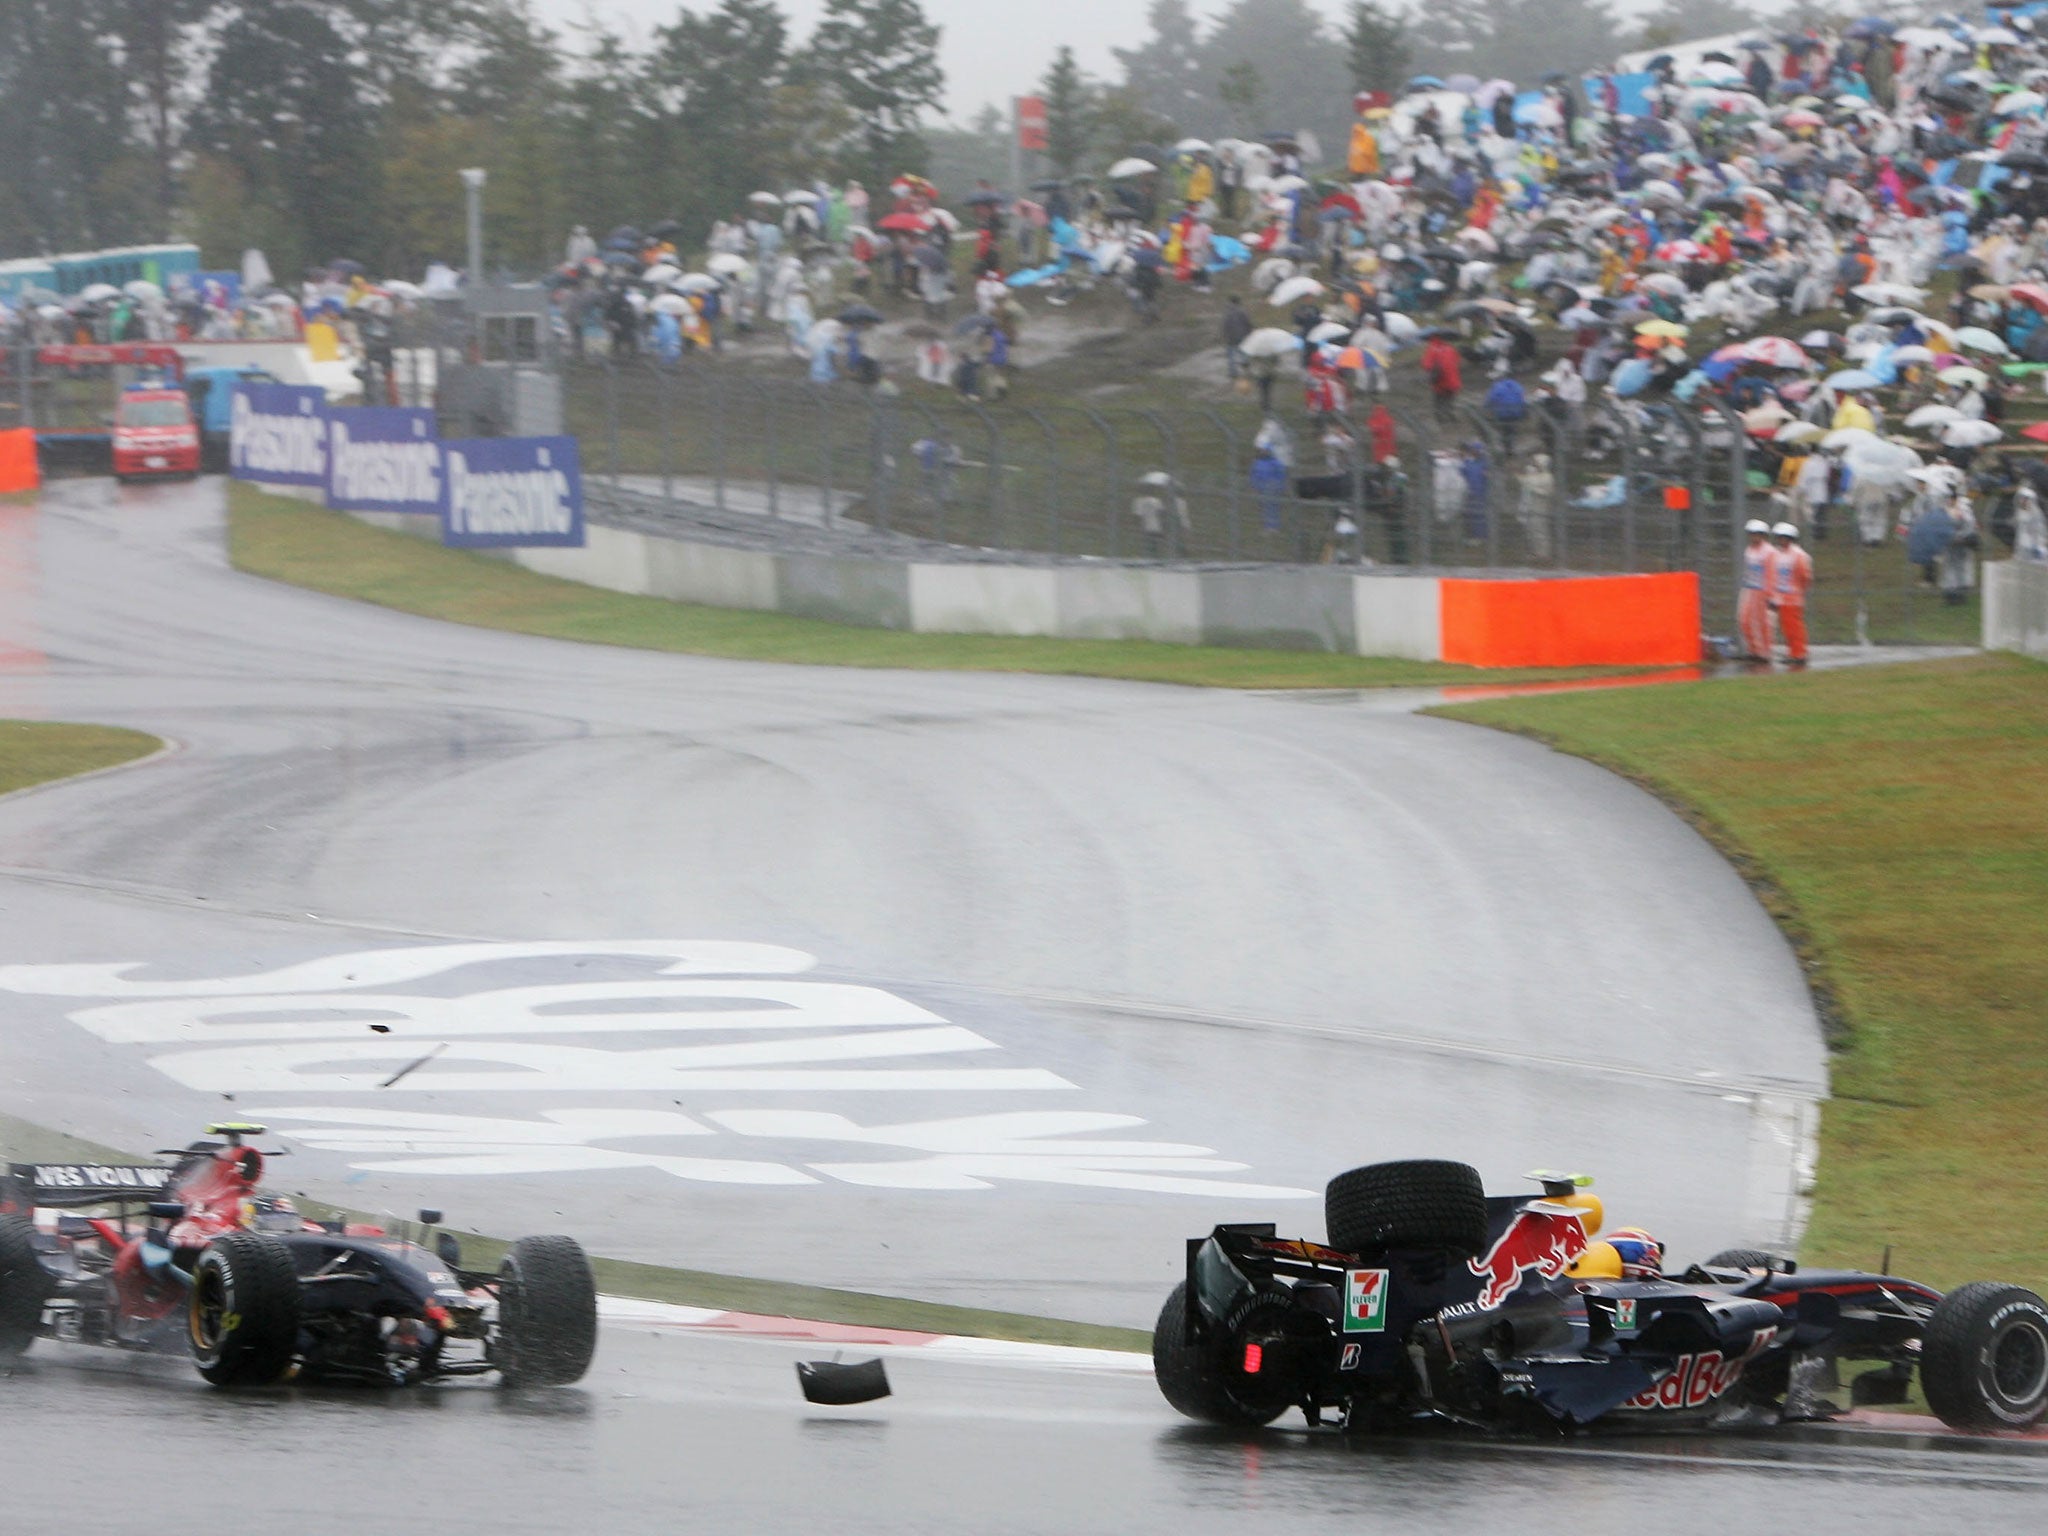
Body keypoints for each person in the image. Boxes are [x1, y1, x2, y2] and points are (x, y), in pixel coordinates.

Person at [1768, 521, 1814, 665]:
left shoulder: (1798, 555)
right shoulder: (1778, 554)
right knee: (1787, 628)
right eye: (1779, 537)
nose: (1781, 540)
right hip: (1781, 597)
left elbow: (1805, 577)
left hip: (1793, 598)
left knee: (1795, 627)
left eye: (1783, 537)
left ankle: (1800, 653)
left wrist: (1799, 591)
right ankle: (1793, 652)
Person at [1738, 518, 1775, 660]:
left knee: (1763, 622)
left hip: (1763, 590)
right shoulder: (1749, 550)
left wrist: (1770, 595)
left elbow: (1771, 573)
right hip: (1750, 588)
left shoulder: (1769, 552)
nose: (1754, 537)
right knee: (1744, 620)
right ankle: (1753, 649)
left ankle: (1763, 652)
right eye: (1752, 534)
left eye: (1757, 534)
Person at [1422, 332, 1463, 424]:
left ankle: (1440, 418)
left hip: (1440, 381)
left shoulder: (1431, 350)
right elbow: (1458, 361)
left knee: (1439, 400)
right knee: (1450, 398)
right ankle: (1450, 414)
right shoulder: (1450, 348)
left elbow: (1426, 365)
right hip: (1453, 379)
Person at [1485, 374, 1528, 458]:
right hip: (1516, 412)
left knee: (1505, 430)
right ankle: (1510, 447)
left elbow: (1490, 399)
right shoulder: (1517, 385)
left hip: (1503, 413)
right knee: (1511, 429)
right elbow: (1522, 398)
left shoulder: (1497, 386)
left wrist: (1487, 408)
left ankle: (1507, 449)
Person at [1221, 295, 1252, 383]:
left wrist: (1225, 335)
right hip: (1242, 336)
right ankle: (1246, 369)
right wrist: (1249, 333)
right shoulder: (1242, 312)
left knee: (1231, 356)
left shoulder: (1227, 312)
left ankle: (1233, 372)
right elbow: (1248, 323)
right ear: (1238, 302)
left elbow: (1225, 325)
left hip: (1231, 337)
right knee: (1243, 353)